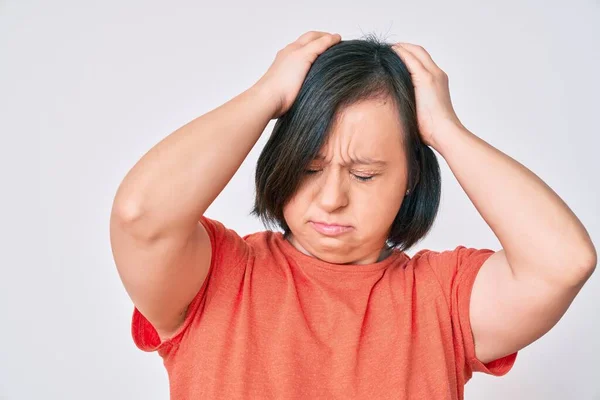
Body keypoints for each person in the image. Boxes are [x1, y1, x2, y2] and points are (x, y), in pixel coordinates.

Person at [109, 31, 597, 399]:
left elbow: (562, 264)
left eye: (364, 175)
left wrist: (446, 131)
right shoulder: (214, 275)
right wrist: (264, 98)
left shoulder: (442, 300)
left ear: (411, 177)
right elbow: (141, 216)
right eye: (309, 167)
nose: (331, 199)